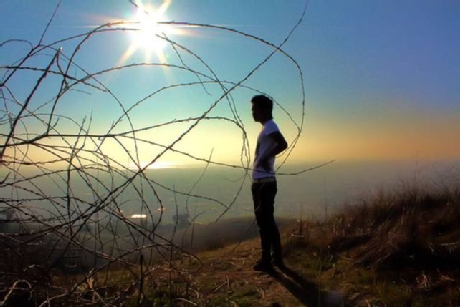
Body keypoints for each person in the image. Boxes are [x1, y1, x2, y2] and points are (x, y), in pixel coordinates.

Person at [250, 94, 288, 272]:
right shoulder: (266, 127)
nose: (252, 112)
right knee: (265, 221)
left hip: (264, 182)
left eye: (255, 109)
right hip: (261, 181)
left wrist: (266, 157)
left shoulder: (270, 126)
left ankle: (269, 259)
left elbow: (283, 143)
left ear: (264, 110)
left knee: (265, 222)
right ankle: (275, 258)